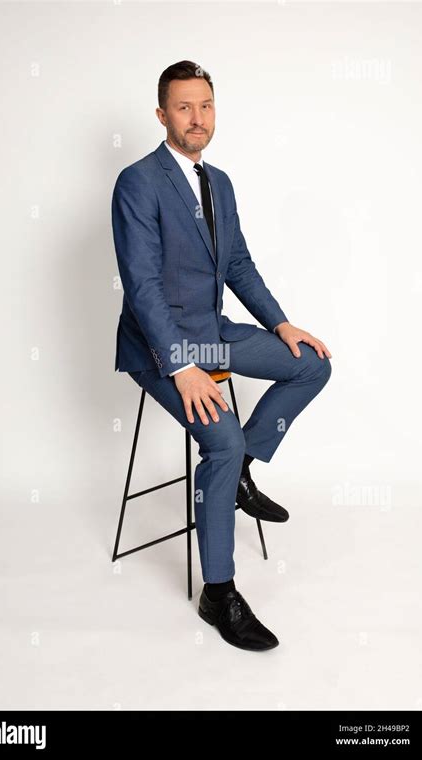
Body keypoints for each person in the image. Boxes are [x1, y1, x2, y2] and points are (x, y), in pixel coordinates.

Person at [111, 60, 332, 652]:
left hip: (214, 331)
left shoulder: (222, 182)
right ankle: (218, 592)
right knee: (222, 436)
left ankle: (238, 471)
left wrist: (282, 325)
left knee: (313, 364)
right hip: (163, 347)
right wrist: (182, 367)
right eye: (184, 107)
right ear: (162, 115)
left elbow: (236, 265)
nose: (196, 118)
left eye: (205, 106)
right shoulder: (138, 182)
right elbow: (142, 285)